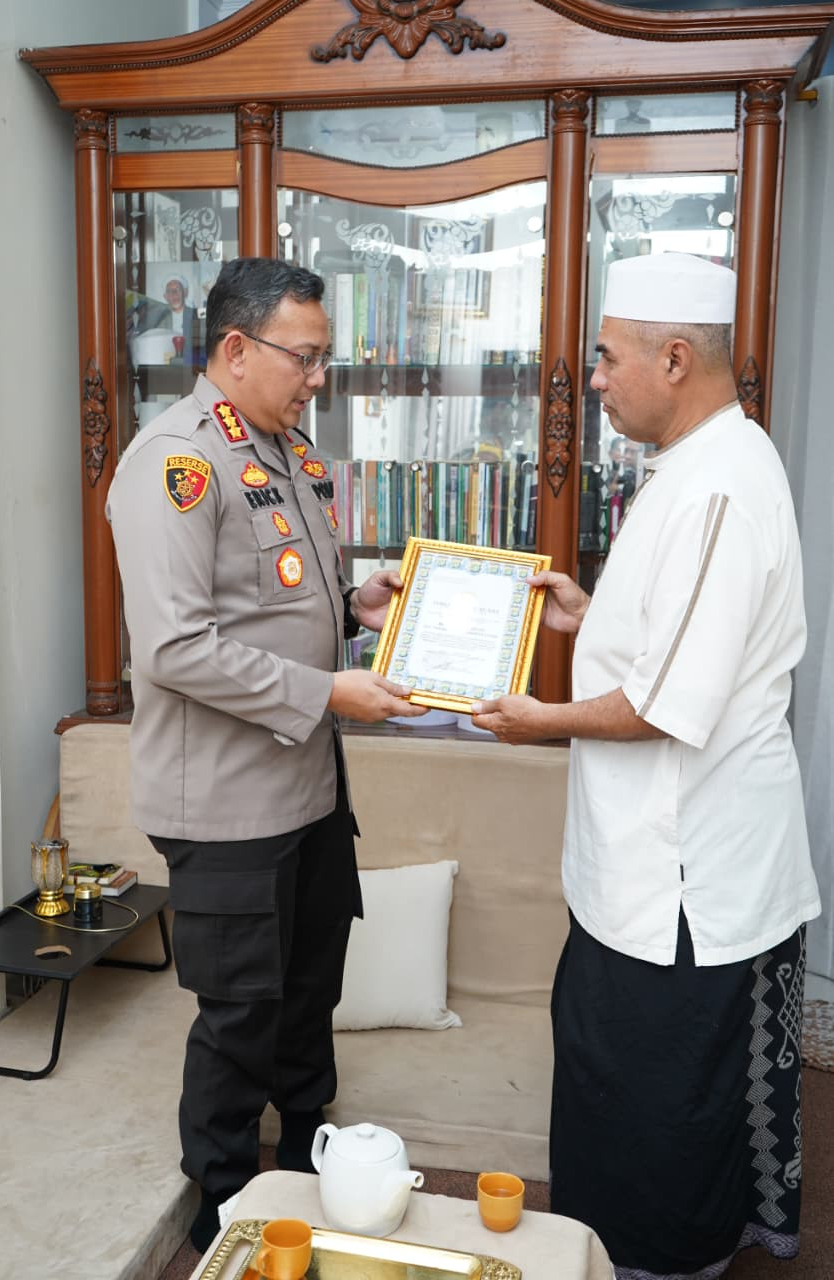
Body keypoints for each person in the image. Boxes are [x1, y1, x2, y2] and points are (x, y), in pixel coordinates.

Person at [470, 252, 821, 1279]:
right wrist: (592, 612)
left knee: (651, 1116)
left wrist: (535, 719)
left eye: (604, 354)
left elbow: (667, 704)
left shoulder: (716, 485)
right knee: (608, 1086)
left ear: (674, 358)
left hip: (680, 886)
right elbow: (671, 640)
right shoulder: (699, 462)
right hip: (643, 870)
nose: (590, 375)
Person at [106, 257, 426, 1252]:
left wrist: (355, 608)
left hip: (308, 789)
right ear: (235, 348)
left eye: (324, 357)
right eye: (305, 355)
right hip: (227, 805)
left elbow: (281, 602)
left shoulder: (286, 451)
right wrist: (328, 690)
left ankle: (313, 1162)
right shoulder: (173, 462)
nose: (318, 376)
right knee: (241, 1016)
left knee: (307, 996)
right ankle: (224, 1213)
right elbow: (174, 645)